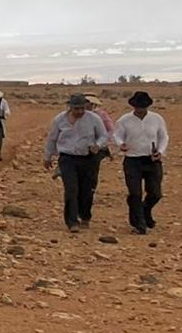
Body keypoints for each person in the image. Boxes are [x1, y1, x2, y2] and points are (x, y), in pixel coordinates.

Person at [43, 93, 112, 231]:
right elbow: (52, 138)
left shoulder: (94, 119)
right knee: (71, 190)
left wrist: (98, 145)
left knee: (87, 190)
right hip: (68, 159)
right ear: (70, 107)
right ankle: (72, 222)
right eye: (76, 109)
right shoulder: (59, 120)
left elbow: (104, 135)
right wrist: (48, 156)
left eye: (82, 108)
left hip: (89, 158)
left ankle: (85, 216)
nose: (80, 111)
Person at [112, 90, 169, 234]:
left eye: (143, 107)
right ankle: (139, 224)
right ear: (133, 106)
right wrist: (121, 144)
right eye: (138, 107)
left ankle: (144, 211)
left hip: (152, 160)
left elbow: (163, 137)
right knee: (135, 193)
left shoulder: (156, 119)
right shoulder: (124, 120)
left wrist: (160, 152)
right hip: (132, 160)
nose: (140, 110)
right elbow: (117, 135)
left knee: (155, 193)